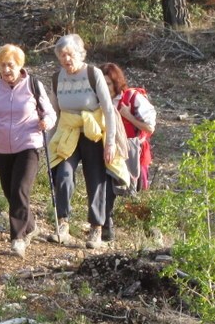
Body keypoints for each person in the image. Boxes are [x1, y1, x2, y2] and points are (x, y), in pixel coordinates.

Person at [46, 34, 130, 249]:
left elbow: (109, 110)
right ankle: (62, 223)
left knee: (96, 180)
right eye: (62, 55)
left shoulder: (93, 74)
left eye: (70, 54)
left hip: (93, 132)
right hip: (68, 132)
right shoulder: (57, 78)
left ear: (80, 54)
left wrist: (110, 142)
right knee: (63, 174)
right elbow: (54, 112)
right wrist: (47, 143)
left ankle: (96, 229)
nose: (66, 59)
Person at [0, 44, 57, 259]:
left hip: (28, 144)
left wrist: (46, 122)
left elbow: (50, 113)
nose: (6, 70)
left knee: (20, 190)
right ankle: (31, 225)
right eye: (2, 66)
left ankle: (17, 239)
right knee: (9, 191)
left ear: (20, 65)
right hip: (1, 147)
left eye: (10, 65)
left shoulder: (33, 85)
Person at [102, 62, 157, 192]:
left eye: (108, 84)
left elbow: (150, 128)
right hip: (110, 156)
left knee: (136, 195)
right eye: (101, 84)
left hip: (135, 155)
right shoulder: (98, 102)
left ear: (116, 82)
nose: (105, 88)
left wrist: (128, 116)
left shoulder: (132, 98)